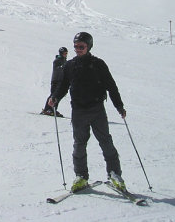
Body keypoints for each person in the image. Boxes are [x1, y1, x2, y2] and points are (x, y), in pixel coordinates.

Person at [49, 32, 126, 193]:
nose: (78, 49)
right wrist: (55, 97)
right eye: (76, 46)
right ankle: (81, 176)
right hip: (78, 111)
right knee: (79, 145)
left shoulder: (98, 64)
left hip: (97, 109)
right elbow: (63, 85)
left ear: (89, 46)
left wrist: (119, 106)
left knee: (106, 143)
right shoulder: (70, 65)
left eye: (81, 46)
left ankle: (115, 175)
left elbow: (111, 86)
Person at [40, 47, 68, 116]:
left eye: (66, 53)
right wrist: (63, 66)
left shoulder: (65, 61)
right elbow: (57, 69)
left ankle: (53, 109)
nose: (66, 55)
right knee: (53, 94)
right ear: (61, 53)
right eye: (64, 53)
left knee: (58, 95)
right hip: (56, 79)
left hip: (61, 80)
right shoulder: (57, 60)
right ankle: (47, 109)